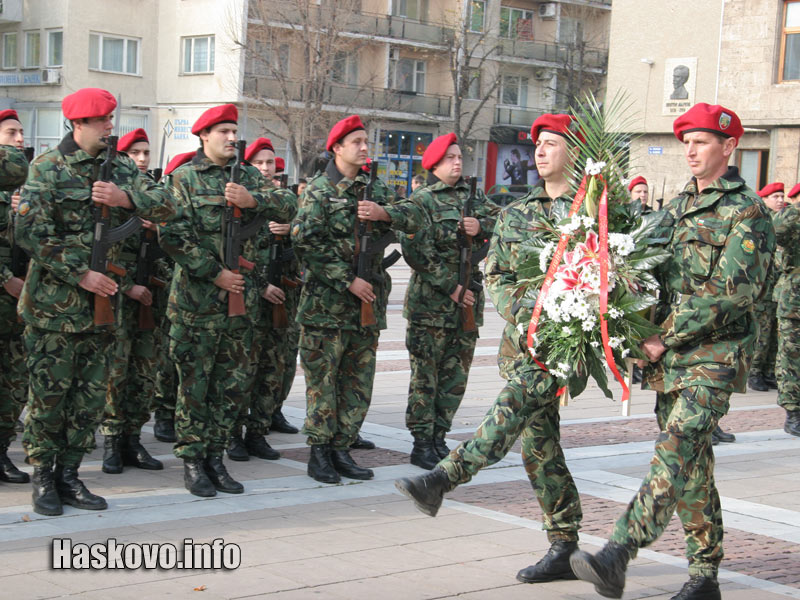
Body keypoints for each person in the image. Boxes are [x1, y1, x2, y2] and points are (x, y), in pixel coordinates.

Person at [569, 103, 775, 600]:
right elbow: (642, 268)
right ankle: (704, 576)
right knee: (692, 468)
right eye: (687, 142)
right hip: (668, 362)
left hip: (715, 358)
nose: (691, 151)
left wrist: (664, 336)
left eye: (701, 142)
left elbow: (734, 293)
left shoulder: (747, 211)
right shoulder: (676, 207)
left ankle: (618, 551)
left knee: (674, 452)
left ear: (729, 148)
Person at [395, 114, 589, 586]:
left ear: (576, 152)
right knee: (539, 446)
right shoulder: (519, 213)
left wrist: (568, 312)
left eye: (551, 144)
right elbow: (497, 273)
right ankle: (563, 543)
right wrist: (526, 310)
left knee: (513, 406)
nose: (539, 152)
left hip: (567, 345)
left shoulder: (594, 210)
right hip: (523, 341)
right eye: (537, 144)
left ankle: (442, 479)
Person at [16, 88, 176, 516]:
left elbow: (166, 205)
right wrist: (81, 272)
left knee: (87, 402)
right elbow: (30, 233)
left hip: (104, 313)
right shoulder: (47, 168)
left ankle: (70, 475)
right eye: (103, 120)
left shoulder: (122, 167)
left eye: (110, 119)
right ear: (79, 124)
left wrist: (126, 199)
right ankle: (44, 476)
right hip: (54, 311)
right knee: (50, 400)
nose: (111, 126)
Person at [159, 104, 295, 497]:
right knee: (195, 386)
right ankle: (193, 460)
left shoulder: (250, 176)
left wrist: (253, 201)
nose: (232, 138)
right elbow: (172, 234)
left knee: (231, 386)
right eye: (224, 132)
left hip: (241, 305)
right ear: (204, 136)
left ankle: (216, 457)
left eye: (235, 132)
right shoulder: (184, 179)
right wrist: (213, 271)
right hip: (196, 304)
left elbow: (289, 206)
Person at [291, 114, 427, 484]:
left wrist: (385, 213)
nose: (365, 148)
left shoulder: (374, 188)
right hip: (326, 308)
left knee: (358, 382)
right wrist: (347, 280)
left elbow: (415, 216)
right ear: (336, 148)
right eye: (357, 142)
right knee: (324, 382)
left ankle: (341, 449)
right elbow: (305, 243)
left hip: (366, 308)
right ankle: (319, 453)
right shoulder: (318, 190)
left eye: (367, 142)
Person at [401, 133, 498, 469]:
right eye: (450, 158)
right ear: (434, 164)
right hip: (431, 306)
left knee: (455, 377)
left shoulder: (474, 197)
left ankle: (440, 436)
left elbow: (502, 224)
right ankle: (421, 442)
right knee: (425, 378)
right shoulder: (423, 200)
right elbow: (414, 250)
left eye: (459, 157)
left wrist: (480, 225)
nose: (457, 162)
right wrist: (450, 286)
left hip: (466, 306)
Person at [100, 129, 169, 474]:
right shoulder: (111, 195)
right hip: (116, 297)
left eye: (146, 152)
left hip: (150, 299)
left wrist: (156, 228)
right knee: (117, 370)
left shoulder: (152, 196)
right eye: (135, 153)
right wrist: (126, 285)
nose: (142, 159)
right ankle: (112, 438)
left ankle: (133, 437)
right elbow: (99, 249)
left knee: (145, 370)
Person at [227, 137, 300, 463]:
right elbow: (233, 256)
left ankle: (259, 430)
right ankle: (233, 434)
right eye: (260, 163)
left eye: (270, 163)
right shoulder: (238, 203)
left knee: (274, 367)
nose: (266, 168)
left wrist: (292, 233)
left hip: (282, 300)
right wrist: (260, 287)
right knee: (242, 371)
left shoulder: (280, 204)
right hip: (247, 301)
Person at [0, 109, 30, 485]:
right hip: (6, 289)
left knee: (14, 382)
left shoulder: (26, 186)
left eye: (21, 133)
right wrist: (5, 278)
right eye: (11, 132)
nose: (20, 139)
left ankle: (2, 450)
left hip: (19, 304)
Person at [748, 182, 784, 393]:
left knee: (774, 333)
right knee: (762, 330)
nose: (780, 200)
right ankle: (754, 372)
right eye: (775, 196)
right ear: (765, 199)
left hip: (777, 285)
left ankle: (768, 371)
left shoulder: (783, 220)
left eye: (781, 196)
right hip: (763, 286)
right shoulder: (760, 220)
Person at [773, 194, 800, 437]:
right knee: (791, 358)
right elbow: (770, 235)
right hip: (795, 300)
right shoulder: (793, 215)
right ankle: (793, 413)